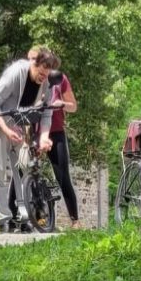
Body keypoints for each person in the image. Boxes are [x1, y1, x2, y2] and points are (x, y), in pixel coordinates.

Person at [0, 47, 59, 233]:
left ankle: (24, 215)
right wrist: (6, 130)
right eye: (41, 72)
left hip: (16, 124)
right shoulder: (15, 73)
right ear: (33, 63)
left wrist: (44, 138)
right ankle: (4, 219)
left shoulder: (45, 82)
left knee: (23, 167)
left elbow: (46, 112)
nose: (43, 77)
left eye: (47, 74)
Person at [41, 50, 81, 229]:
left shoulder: (60, 79)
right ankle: (23, 216)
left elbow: (73, 107)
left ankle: (75, 220)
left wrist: (62, 104)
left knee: (63, 176)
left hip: (55, 130)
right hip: (34, 129)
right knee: (23, 169)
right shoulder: (33, 77)